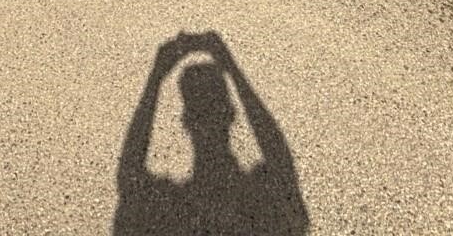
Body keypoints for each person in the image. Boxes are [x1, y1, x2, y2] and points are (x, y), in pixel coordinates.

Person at [113, 31, 309, 235]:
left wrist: (156, 78)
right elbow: (279, 159)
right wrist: (231, 66)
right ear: (231, 115)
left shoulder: (173, 212)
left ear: (186, 121)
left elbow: (129, 177)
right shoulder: (268, 211)